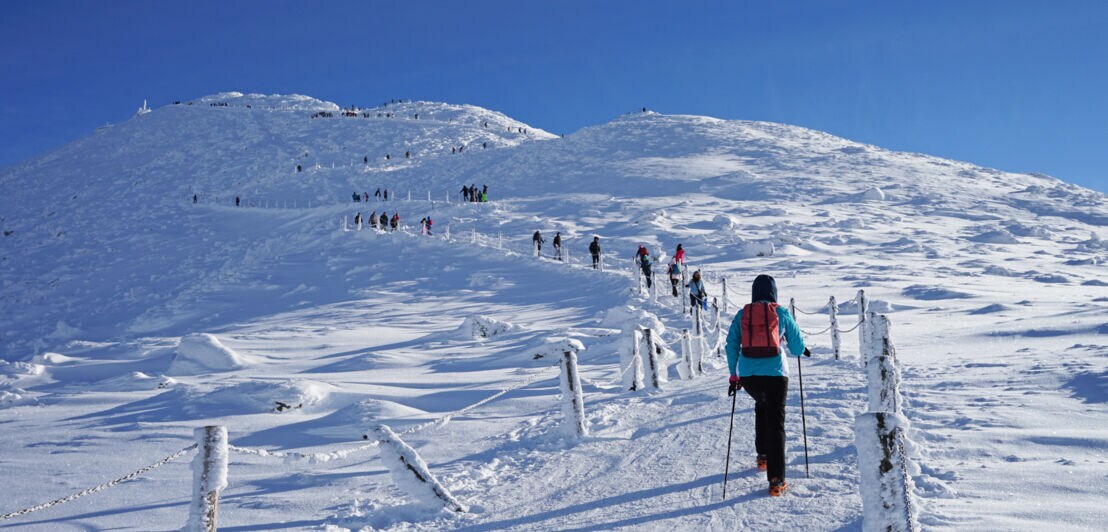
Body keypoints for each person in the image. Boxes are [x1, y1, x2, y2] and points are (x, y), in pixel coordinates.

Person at [724, 274, 808, 497]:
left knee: (761, 407)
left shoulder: (743, 314)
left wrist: (734, 375)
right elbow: (797, 347)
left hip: (749, 375)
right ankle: (776, 479)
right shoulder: (780, 312)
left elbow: (731, 345)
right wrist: (800, 350)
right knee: (776, 422)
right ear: (773, 292)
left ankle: (763, 457)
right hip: (776, 374)